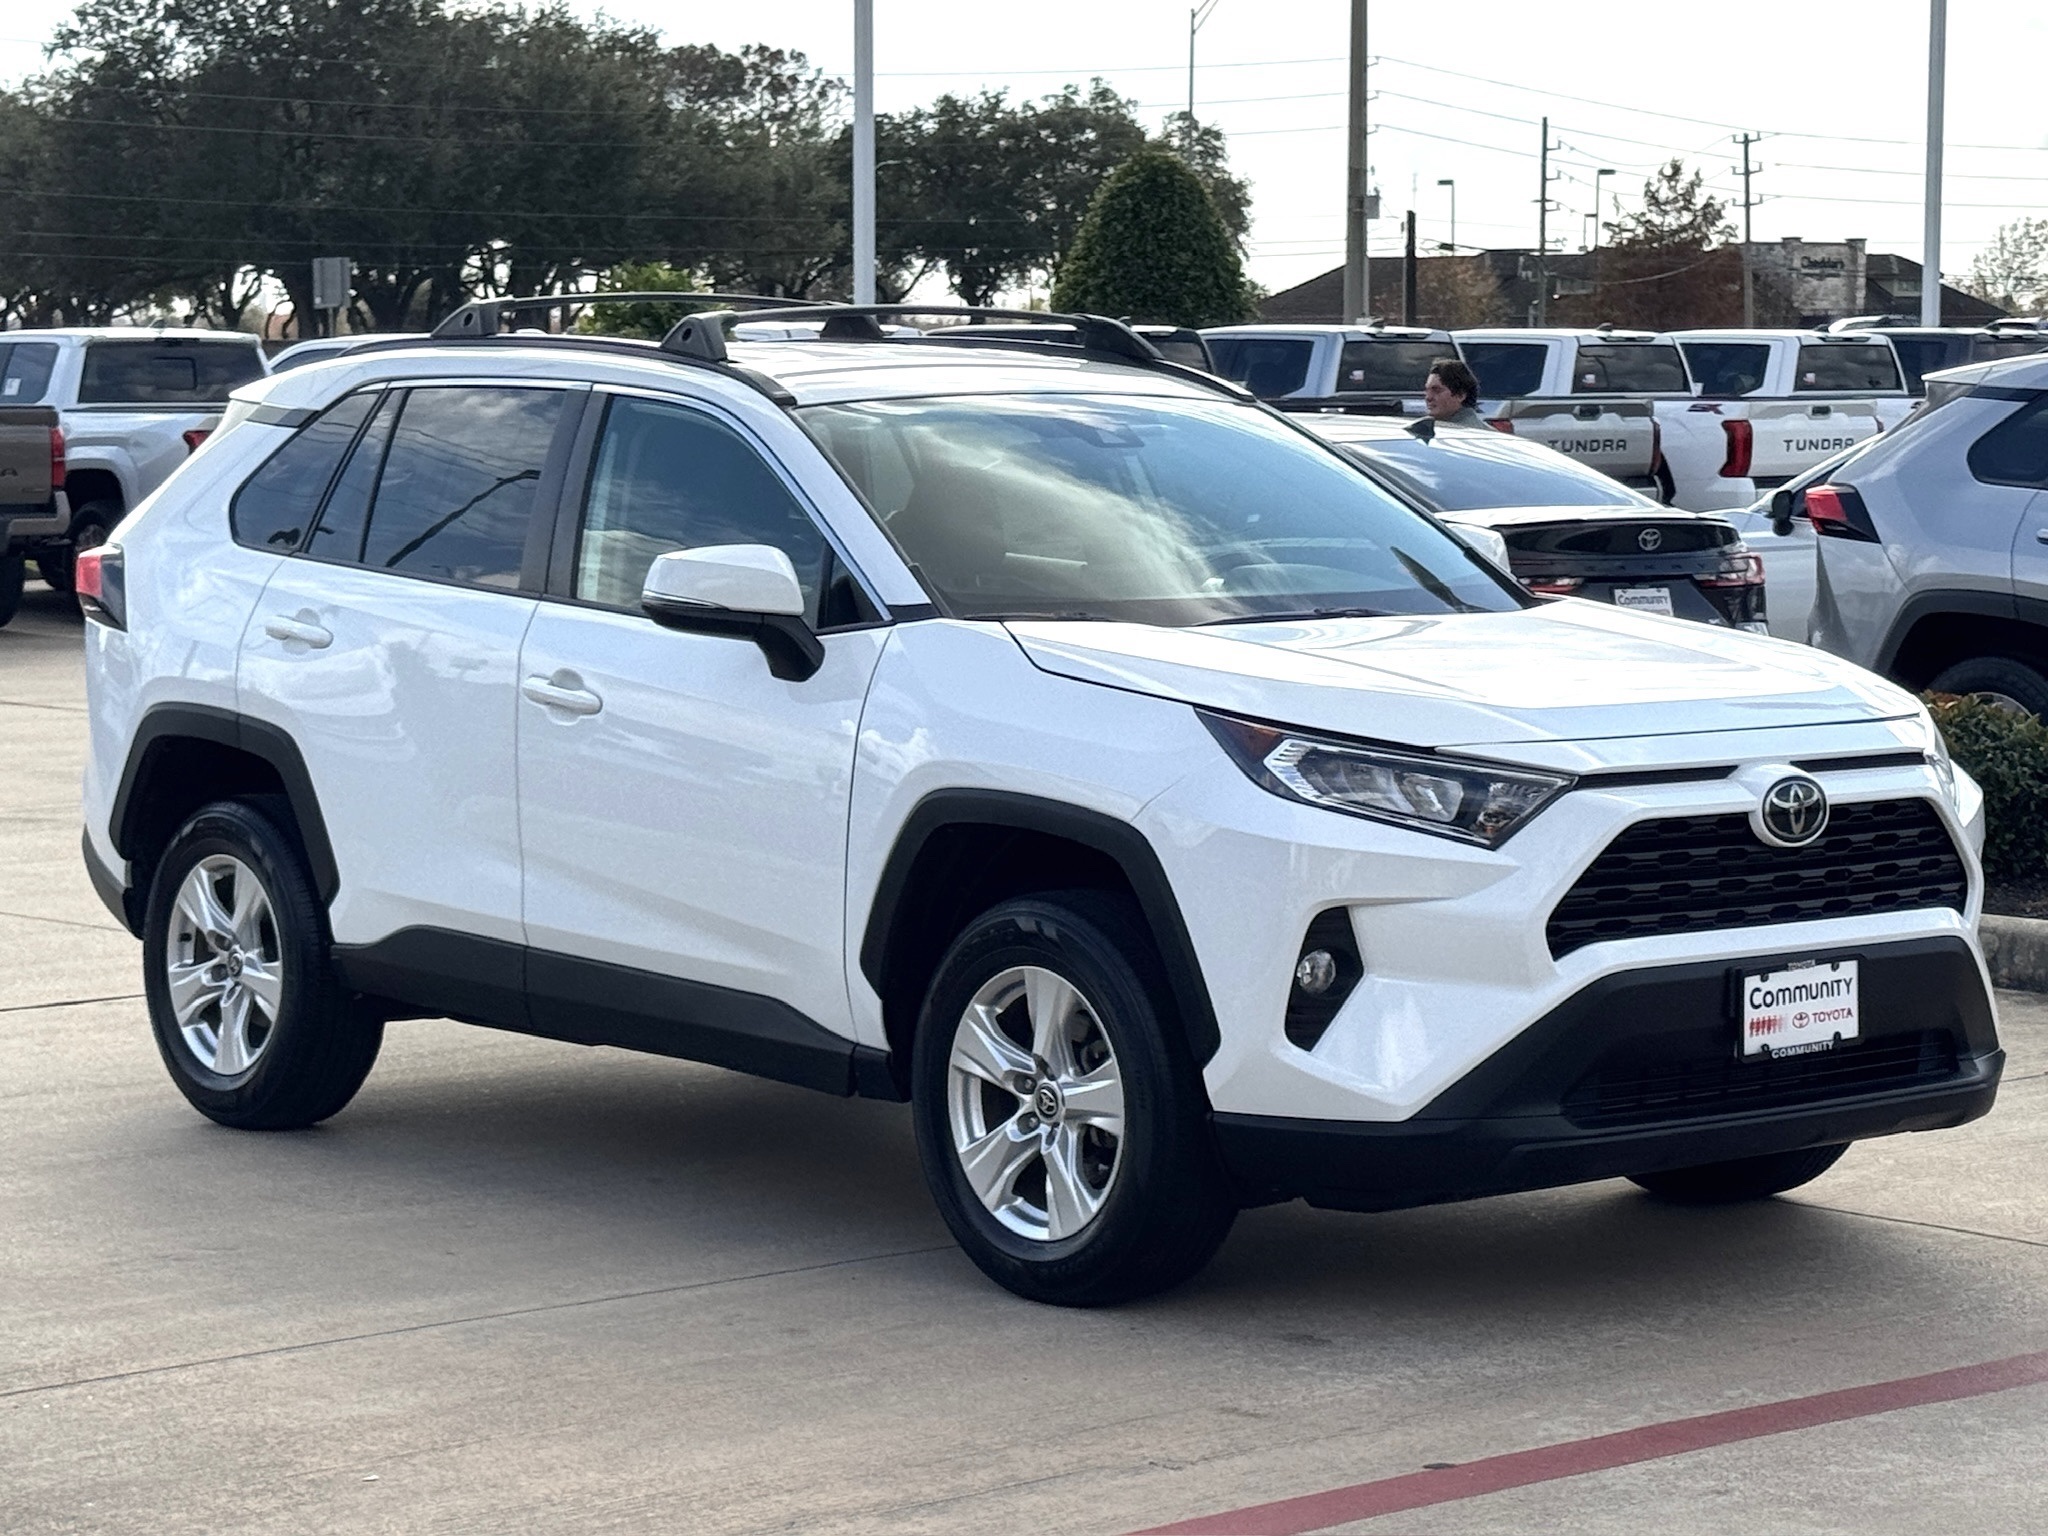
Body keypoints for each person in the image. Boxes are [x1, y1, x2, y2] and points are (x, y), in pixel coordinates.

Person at [1418, 357, 1487, 429]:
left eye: (1437, 390)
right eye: (1426, 390)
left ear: (1460, 395)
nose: (1428, 397)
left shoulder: (1463, 433)